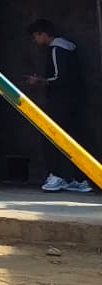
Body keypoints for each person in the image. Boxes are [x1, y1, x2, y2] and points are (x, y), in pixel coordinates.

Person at [26, 19, 93, 193]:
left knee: (50, 135)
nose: (35, 40)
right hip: (74, 101)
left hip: (61, 101)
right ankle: (80, 179)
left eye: (35, 36)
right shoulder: (69, 48)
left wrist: (40, 81)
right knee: (74, 138)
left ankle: (56, 176)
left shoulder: (56, 50)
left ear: (43, 34)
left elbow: (60, 77)